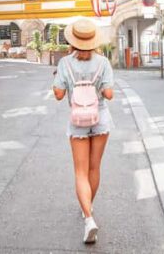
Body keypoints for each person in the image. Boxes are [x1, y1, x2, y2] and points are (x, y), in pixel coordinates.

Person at [52, 19, 114, 244]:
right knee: (94, 167)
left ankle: (88, 218)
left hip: (78, 120)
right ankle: (88, 206)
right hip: (100, 118)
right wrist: (96, 85)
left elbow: (59, 95)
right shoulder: (103, 62)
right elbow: (109, 95)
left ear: (73, 41)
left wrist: (60, 82)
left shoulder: (65, 63)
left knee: (80, 171)